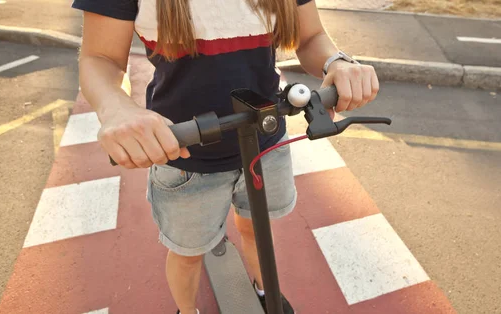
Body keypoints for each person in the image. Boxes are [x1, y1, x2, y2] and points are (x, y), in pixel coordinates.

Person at [71, 0, 379, 313]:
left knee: (255, 229)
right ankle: (187, 310)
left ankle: (263, 290)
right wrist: (117, 108)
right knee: (188, 254)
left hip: (265, 142)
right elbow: (100, 57)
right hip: (184, 152)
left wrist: (337, 62)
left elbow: (310, 36)